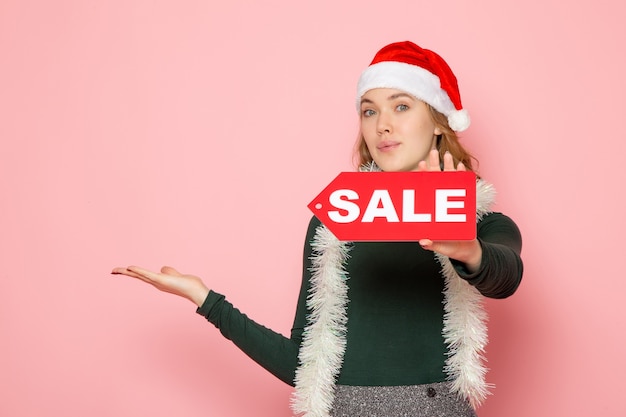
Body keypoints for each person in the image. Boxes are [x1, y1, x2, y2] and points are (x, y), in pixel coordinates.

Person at [112, 41, 523, 417]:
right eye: (369, 110)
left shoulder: (478, 218)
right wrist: (205, 299)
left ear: (437, 121)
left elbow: (505, 273)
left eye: (401, 106)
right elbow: (303, 364)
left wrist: (470, 252)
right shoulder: (334, 223)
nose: (382, 125)